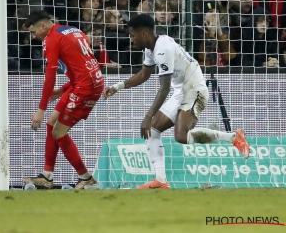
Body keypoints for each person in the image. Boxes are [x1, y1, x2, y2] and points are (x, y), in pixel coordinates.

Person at [103, 14, 250, 190]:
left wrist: (148, 115)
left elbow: (164, 89)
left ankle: (233, 137)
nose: (131, 39)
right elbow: (143, 75)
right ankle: (161, 180)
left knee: (181, 136)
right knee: (152, 131)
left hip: (195, 89)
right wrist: (117, 87)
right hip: (181, 90)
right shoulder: (151, 48)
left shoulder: (163, 49)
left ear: (143, 33)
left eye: (133, 35)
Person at [23, 10, 104, 189]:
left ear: (43, 26)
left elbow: (50, 77)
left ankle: (86, 177)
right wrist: (62, 90)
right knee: (52, 123)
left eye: (33, 32)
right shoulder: (72, 30)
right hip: (86, 82)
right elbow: (83, 67)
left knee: (58, 132)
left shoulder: (50, 39)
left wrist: (40, 110)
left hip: (85, 88)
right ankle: (47, 176)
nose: (33, 36)